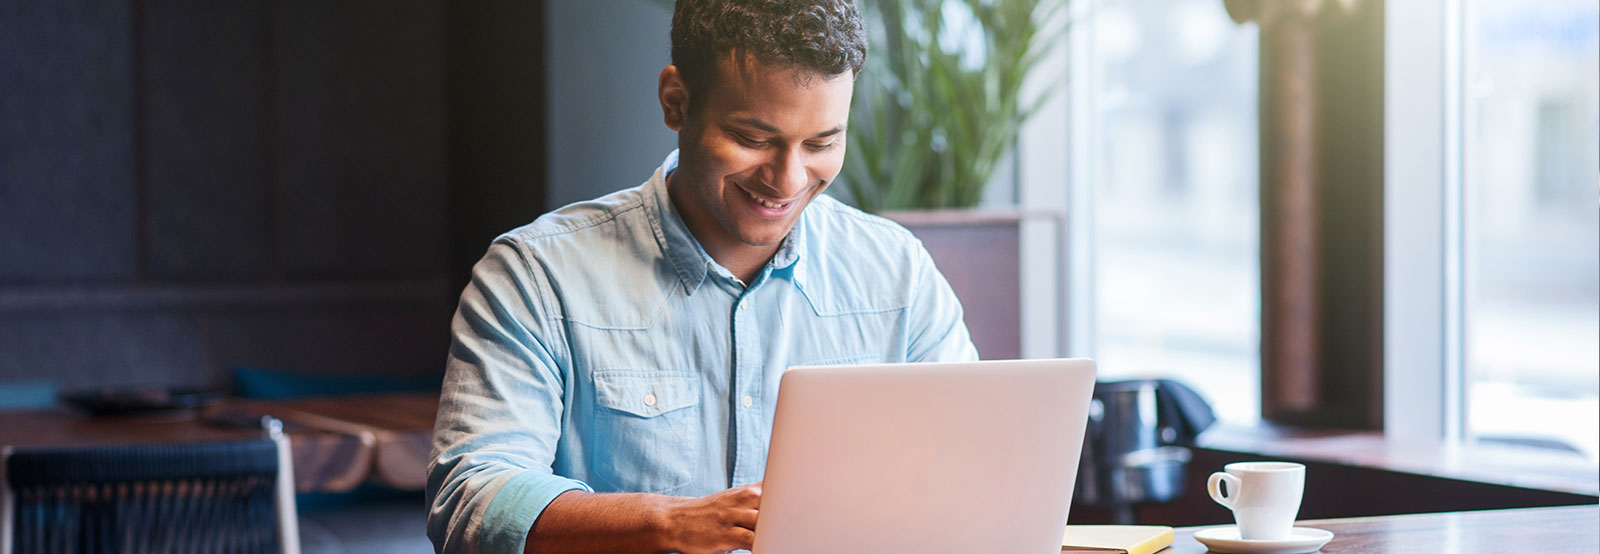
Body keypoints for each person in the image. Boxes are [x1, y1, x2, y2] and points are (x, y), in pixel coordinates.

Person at [425, 1, 977, 552]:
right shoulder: (537, 275)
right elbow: (472, 500)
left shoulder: (897, 273)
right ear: (676, 102)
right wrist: (665, 525)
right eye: (754, 138)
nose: (787, 180)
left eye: (821, 143)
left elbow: (974, 472)